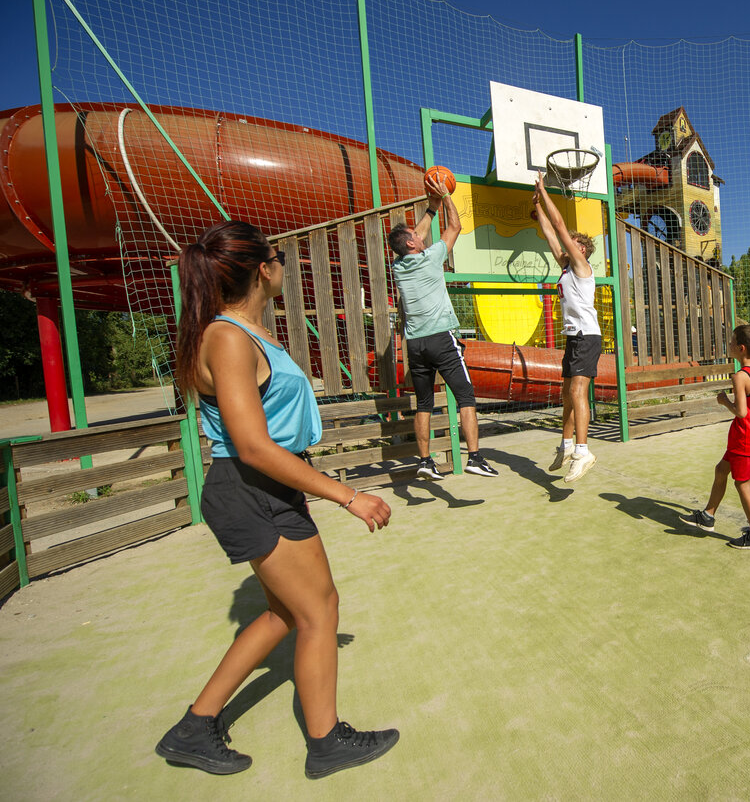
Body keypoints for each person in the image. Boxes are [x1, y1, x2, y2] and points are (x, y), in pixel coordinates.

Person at [157, 221, 398, 779]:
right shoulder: (227, 337)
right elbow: (251, 445)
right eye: (279, 257)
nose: (284, 266)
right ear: (264, 269)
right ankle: (326, 742)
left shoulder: (244, 332)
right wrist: (348, 496)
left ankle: (194, 725)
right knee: (320, 612)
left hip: (267, 487)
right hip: (250, 486)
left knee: (285, 614)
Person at [390, 173, 499, 480]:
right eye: (415, 235)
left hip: (415, 343)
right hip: (440, 339)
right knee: (465, 397)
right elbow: (456, 227)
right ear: (412, 243)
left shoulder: (398, 265)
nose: (420, 234)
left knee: (423, 403)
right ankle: (475, 457)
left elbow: (414, 236)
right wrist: (445, 196)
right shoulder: (430, 257)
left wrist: (431, 207)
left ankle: (425, 461)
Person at [680, 324, 750, 550]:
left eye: (732, 341)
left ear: (741, 348)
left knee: (742, 484)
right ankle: (708, 516)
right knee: (721, 470)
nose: (729, 344)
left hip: (746, 437)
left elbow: (742, 412)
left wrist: (724, 401)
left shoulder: (741, 376)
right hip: (747, 437)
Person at [531, 174, 601, 484]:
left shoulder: (582, 268)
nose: (565, 244)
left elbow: (559, 227)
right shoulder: (565, 269)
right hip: (575, 338)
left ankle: (583, 452)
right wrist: (538, 206)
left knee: (577, 391)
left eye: (573, 242)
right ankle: (567, 444)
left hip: (588, 336)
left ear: (582, 250)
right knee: (566, 396)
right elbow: (550, 231)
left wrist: (545, 191)